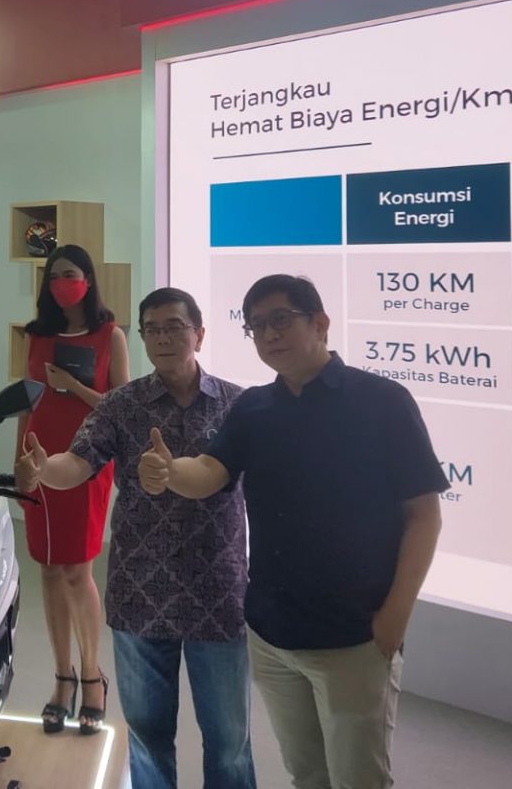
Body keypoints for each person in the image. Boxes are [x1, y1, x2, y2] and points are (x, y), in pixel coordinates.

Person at [139, 274, 446, 789]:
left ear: (320, 323)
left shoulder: (382, 401)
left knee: (359, 780)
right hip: (272, 636)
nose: (268, 334)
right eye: (256, 325)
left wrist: (394, 618)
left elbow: (424, 515)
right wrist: (172, 472)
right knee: (306, 774)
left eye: (280, 319)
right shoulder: (254, 408)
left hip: (353, 638)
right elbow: (210, 471)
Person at [17, 288, 256, 789]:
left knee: (229, 742)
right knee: (147, 738)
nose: (163, 338)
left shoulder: (238, 404)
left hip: (217, 592)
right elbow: (78, 462)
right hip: (140, 594)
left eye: (175, 327)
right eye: (153, 329)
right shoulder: (121, 405)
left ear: (199, 334)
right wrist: (45, 470)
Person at [17, 244, 129, 735]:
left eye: (70, 273)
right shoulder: (37, 335)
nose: (62, 283)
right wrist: (18, 461)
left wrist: (72, 385)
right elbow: (27, 402)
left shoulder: (110, 335)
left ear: (88, 278)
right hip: (39, 455)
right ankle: (61, 677)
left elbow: (120, 406)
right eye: (54, 275)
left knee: (76, 570)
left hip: (87, 459)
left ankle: (91, 675)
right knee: (47, 568)